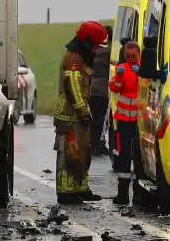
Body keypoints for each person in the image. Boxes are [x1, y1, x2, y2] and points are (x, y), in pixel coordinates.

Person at [54, 20, 107, 204]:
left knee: (83, 151)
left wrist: (85, 112)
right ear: (86, 43)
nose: (97, 50)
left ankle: (81, 187)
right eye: (95, 45)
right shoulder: (73, 60)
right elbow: (73, 89)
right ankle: (66, 192)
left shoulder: (82, 58)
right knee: (69, 153)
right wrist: (83, 112)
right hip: (70, 115)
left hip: (80, 114)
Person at [109, 41, 141, 205]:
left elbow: (147, 88)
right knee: (123, 156)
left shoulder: (143, 71)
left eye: (133, 56)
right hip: (123, 119)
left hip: (138, 120)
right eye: (128, 56)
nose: (130, 59)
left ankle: (139, 194)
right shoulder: (122, 69)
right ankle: (122, 195)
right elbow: (114, 87)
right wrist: (120, 76)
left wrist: (140, 75)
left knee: (138, 156)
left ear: (139, 55)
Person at [89, 25, 113, 156]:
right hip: (104, 90)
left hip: (92, 89)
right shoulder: (111, 52)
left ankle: (90, 144)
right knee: (100, 120)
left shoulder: (95, 50)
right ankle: (95, 144)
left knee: (91, 118)